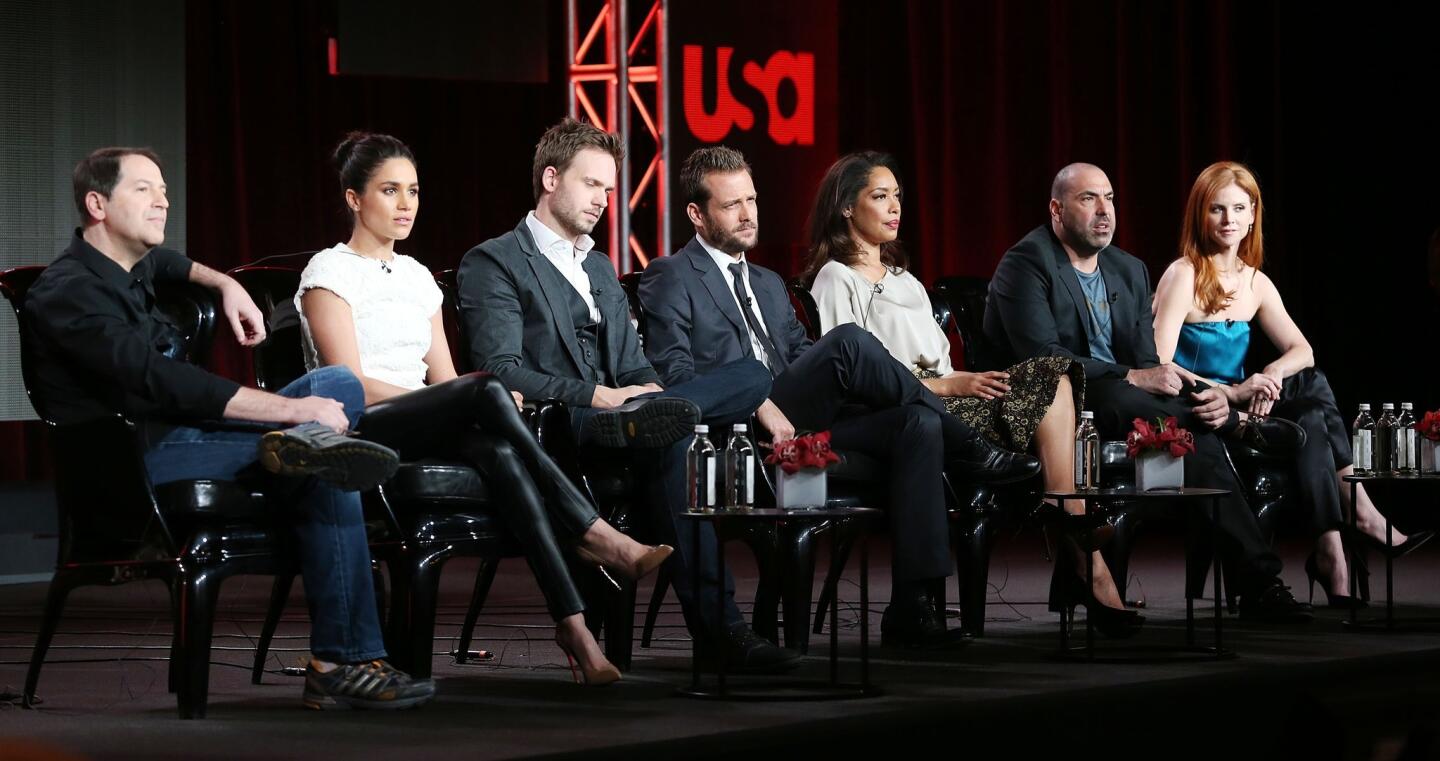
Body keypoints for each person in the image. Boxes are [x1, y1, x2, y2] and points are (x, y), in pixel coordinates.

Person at [22, 146, 435, 709]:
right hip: (136, 460)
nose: (163, 199)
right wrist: (287, 410)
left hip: (189, 439)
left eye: (164, 187)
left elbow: (168, 264)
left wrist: (224, 284)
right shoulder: (68, 293)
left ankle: (306, 453)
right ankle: (342, 660)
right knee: (324, 451)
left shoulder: (131, 264)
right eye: (144, 189)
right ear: (97, 204)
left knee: (337, 385)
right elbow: (161, 382)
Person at [296, 132, 671, 685]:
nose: (406, 205)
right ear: (354, 199)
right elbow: (348, 384)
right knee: (487, 389)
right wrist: (456, 401)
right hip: (359, 423)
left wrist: (460, 401)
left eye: (414, 191)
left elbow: (446, 377)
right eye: (390, 191)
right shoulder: (328, 272)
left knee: (498, 445)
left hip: (425, 421)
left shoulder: (419, 278)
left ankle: (575, 628)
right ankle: (593, 533)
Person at [638, 146, 1041, 649]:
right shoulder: (670, 275)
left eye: (753, 200)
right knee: (849, 341)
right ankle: (971, 448)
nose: (748, 215)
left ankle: (913, 609)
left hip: (805, 418)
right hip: (740, 430)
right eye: (731, 205)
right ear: (697, 214)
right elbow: (677, 375)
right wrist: (757, 401)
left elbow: (805, 357)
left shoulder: (765, 282)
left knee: (918, 425)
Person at [457, 119, 790, 672]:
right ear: (549, 178)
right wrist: (601, 397)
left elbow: (636, 366)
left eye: (609, 189)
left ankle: (661, 418)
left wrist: (648, 393)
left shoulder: (599, 265)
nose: (603, 200)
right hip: (564, 422)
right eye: (592, 185)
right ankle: (723, 632)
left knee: (750, 376)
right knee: (677, 434)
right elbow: (500, 372)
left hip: (634, 415)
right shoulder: (495, 260)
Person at [805, 151, 1139, 636]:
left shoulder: (907, 282)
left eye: (897, 196)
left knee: (1056, 372)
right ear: (847, 208)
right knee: (1045, 384)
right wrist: (949, 385)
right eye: (880, 197)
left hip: (952, 401)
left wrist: (965, 383)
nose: (895, 206)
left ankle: (1064, 508)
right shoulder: (838, 277)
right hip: (903, 409)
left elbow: (942, 362)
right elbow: (854, 374)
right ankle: (1077, 532)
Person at [984, 162, 1313, 623]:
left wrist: (1204, 391)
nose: (1104, 211)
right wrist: (1136, 378)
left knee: (1199, 416)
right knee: (1187, 420)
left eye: (1110, 198)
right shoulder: (1026, 262)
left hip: (1124, 394)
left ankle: (1256, 577)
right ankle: (1258, 580)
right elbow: (1043, 356)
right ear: (1056, 209)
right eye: (1088, 199)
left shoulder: (1128, 268)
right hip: (1055, 401)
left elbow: (1146, 357)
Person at [1151, 161, 1430, 606]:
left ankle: (1331, 548)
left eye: (1239, 209)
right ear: (1199, 215)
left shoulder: (1254, 282)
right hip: (1198, 405)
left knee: (1311, 390)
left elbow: (1303, 351)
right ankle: (1354, 521)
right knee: (1314, 404)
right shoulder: (1184, 274)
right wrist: (1235, 390)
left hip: (1241, 404)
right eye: (1217, 210)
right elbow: (1159, 365)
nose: (1229, 221)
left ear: (1252, 215)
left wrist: (1271, 375)